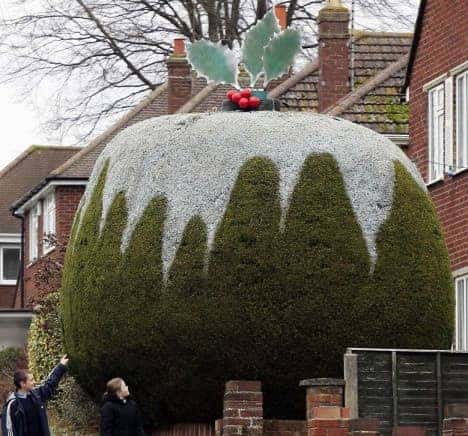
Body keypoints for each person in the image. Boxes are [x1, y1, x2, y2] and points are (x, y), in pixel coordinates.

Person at [1, 355, 69, 436]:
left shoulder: (36, 395)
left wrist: (61, 366)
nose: (34, 382)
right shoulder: (12, 405)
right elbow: (9, 431)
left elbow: (49, 384)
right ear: (23, 384)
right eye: (31, 380)